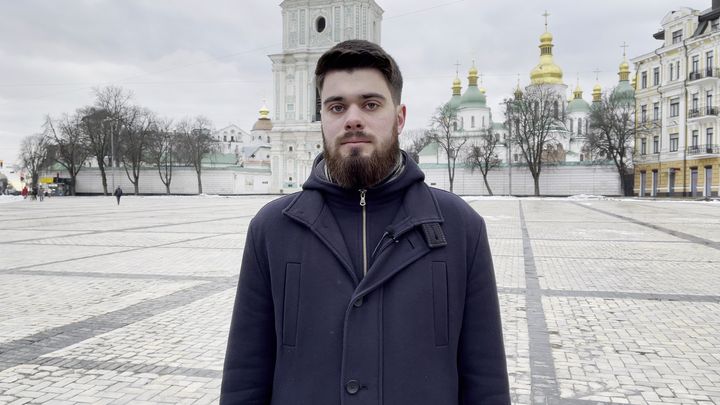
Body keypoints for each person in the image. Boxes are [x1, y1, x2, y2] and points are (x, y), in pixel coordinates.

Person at [221, 40, 509, 405]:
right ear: (322, 119)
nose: (352, 118)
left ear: (400, 117)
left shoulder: (459, 228)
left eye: (370, 104)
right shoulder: (273, 229)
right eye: (336, 106)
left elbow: (486, 382)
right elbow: (245, 378)